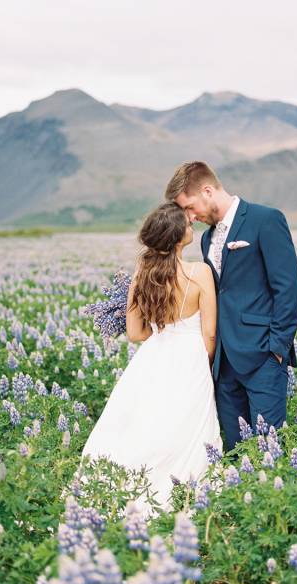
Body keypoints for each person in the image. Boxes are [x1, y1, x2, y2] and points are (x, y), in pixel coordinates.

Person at [81, 202, 222, 517]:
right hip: (191, 357)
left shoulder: (142, 275)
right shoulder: (200, 272)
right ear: (175, 237)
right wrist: (203, 363)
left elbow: (135, 333)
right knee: (185, 428)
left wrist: (162, 334)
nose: (192, 227)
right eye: (187, 224)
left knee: (142, 423)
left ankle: (124, 491)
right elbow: (209, 333)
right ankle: (184, 498)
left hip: (153, 357)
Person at [166, 161, 297, 454]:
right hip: (223, 363)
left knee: (270, 449)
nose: (189, 217)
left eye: (189, 207)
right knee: (235, 449)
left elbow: (288, 289)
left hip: (263, 356)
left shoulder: (265, 220)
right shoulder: (206, 238)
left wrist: (277, 348)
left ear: (207, 190)